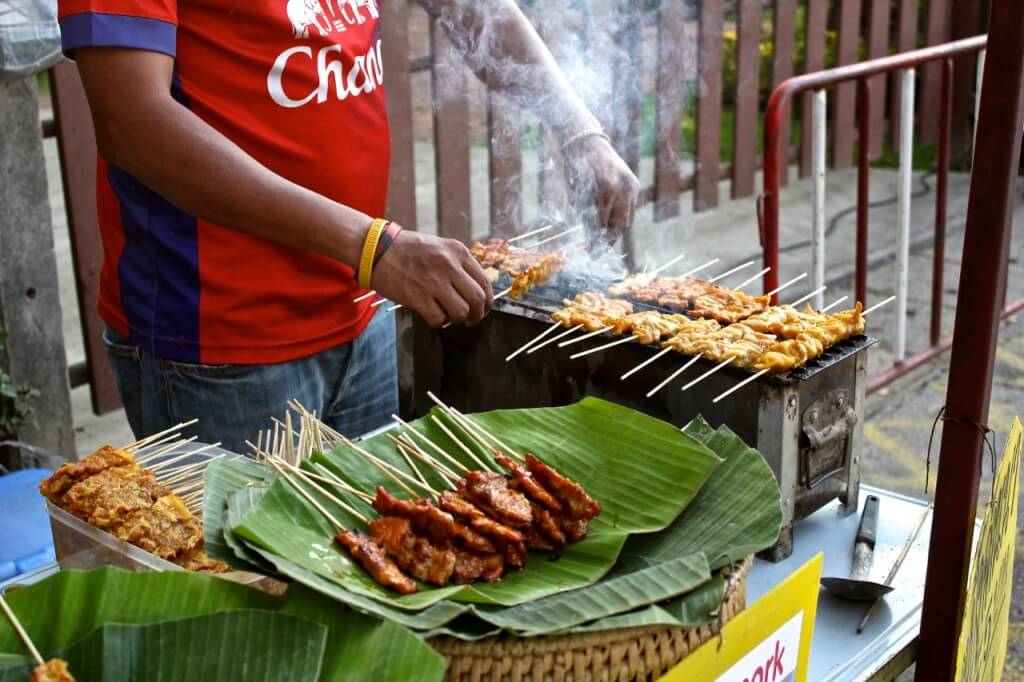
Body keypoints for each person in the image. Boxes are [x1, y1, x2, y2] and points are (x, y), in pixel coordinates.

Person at [58, 0, 640, 453]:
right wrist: (372, 246)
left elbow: (474, 11)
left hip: (361, 314)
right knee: (260, 597)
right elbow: (134, 123)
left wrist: (576, 127)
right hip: (222, 348)